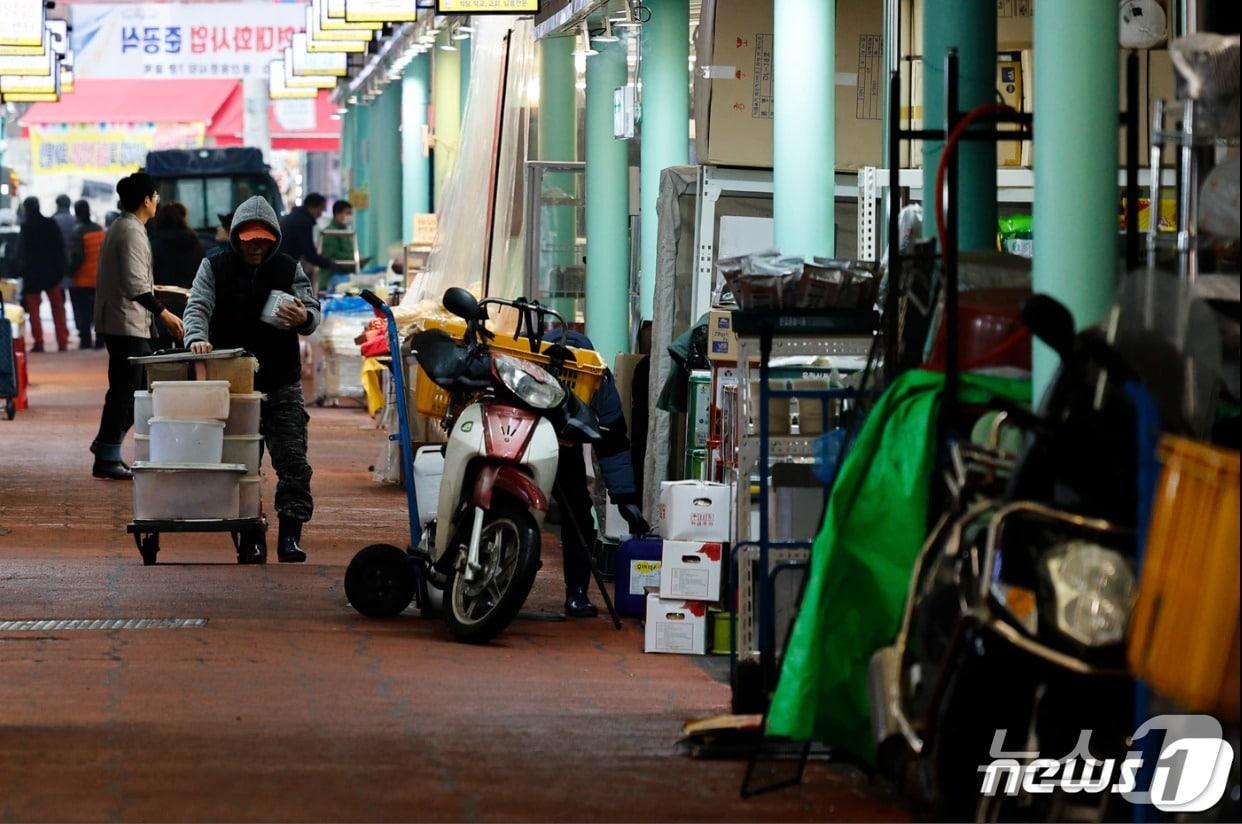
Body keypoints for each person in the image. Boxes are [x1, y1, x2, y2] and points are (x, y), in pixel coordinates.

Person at [183, 195, 322, 564]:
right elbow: (197, 305)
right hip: (234, 383)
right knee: (241, 465)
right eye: (249, 241)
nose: (257, 247)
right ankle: (249, 537)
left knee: (293, 461)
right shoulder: (213, 266)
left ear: (274, 239)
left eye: (264, 240)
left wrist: (303, 319)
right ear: (236, 237)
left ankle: (290, 536)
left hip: (282, 380)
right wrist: (196, 337)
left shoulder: (289, 268)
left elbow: (311, 309)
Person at [542, 329, 649, 617]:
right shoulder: (526, 362)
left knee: (578, 509)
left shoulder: (598, 379)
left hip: (566, 446)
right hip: (521, 440)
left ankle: (576, 591)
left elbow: (613, 441)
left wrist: (625, 497)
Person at [91, 173, 184, 480]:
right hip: (125, 323)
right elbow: (134, 285)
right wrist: (166, 315)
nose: (157, 201)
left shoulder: (127, 227)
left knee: (125, 389)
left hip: (125, 321)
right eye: (155, 196)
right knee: (129, 391)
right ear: (146, 199)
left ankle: (106, 449)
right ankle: (106, 452)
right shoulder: (130, 230)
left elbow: (136, 279)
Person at [18, 196, 70, 353]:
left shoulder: (26, 227)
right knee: (57, 308)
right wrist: (61, 270)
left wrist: (22, 271)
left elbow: (21, 252)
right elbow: (60, 249)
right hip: (52, 274)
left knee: (34, 311)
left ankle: (39, 342)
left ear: (26, 209)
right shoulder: (50, 223)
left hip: (32, 275)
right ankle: (62, 342)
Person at [278, 192, 349, 283]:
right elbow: (309, 254)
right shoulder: (303, 221)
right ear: (312, 207)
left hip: (283, 262)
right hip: (283, 265)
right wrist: (330, 264)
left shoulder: (296, 217)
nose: (320, 214)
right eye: (320, 210)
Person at [67, 200, 105, 350]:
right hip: (99, 279)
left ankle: (86, 340)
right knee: (99, 311)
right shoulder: (100, 230)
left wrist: (69, 272)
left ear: (77, 213)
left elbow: (77, 257)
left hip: (82, 280)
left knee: (83, 312)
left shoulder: (78, 231)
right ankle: (100, 340)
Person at [149, 202, 204, 289]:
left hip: (163, 296)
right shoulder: (195, 243)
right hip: (190, 294)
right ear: (184, 219)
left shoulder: (153, 245)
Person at [52, 194, 76, 266]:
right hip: (71, 260)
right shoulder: (76, 221)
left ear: (57, 205)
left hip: (55, 259)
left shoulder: (53, 220)